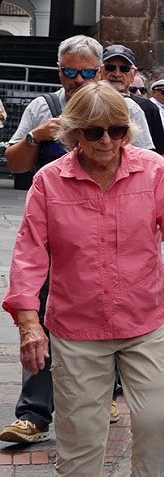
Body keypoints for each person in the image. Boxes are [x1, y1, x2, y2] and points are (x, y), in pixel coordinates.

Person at [1, 82, 164, 474]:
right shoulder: (50, 181)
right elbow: (29, 252)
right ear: (74, 135)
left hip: (144, 321)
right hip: (77, 329)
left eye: (117, 131)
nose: (107, 141)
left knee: (158, 419)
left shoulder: (152, 169)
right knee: (80, 442)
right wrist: (28, 322)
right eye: (94, 132)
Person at [0, 35, 117, 444]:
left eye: (88, 72)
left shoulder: (119, 109)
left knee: (109, 314)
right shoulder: (42, 108)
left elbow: (149, 168)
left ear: (100, 71)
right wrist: (35, 137)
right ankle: (33, 414)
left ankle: (106, 393)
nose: (79, 79)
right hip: (52, 237)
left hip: (107, 238)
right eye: (71, 71)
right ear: (59, 70)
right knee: (39, 316)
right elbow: (14, 162)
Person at [97, 46, 163, 155]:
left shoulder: (146, 108)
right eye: (110, 68)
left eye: (124, 69)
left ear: (134, 74)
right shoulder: (89, 103)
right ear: (100, 71)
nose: (117, 74)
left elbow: (154, 154)